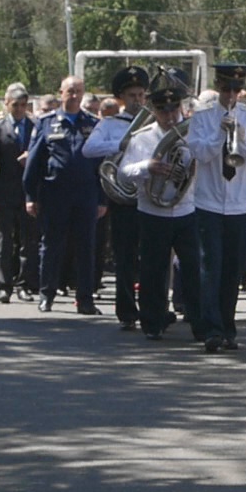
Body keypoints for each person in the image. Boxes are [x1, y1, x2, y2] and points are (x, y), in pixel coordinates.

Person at [186, 61, 246, 351]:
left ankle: (228, 328)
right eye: (227, 89)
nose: (231, 95)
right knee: (211, 265)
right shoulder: (203, 116)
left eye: (237, 89)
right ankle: (211, 329)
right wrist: (219, 135)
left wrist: (242, 135)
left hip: (239, 202)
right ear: (219, 88)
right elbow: (198, 151)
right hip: (208, 200)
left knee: (232, 268)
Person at [117, 69, 200, 339]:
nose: (169, 115)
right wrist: (147, 167)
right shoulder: (141, 138)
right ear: (153, 109)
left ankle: (200, 323)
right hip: (152, 212)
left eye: (174, 109)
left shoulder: (190, 134)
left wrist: (185, 169)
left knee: (193, 269)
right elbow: (121, 172)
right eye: (163, 110)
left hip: (186, 209)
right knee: (153, 271)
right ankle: (152, 323)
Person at [24, 75, 106, 313]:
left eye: (78, 91)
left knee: (86, 247)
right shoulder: (46, 123)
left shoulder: (92, 123)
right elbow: (34, 162)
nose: (74, 95)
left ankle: (85, 299)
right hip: (55, 193)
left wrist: (101, 198)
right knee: (51, 245)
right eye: (70, 91)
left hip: (85, 194)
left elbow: (101, 164)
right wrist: (31, 196)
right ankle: (46, 294)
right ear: (61, 92)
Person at [104, 67, 151, 326]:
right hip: (122, 198)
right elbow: (90, 149)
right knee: (125, 258)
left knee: (151, 258)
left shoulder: (153, 124)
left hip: (149, 197)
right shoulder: (111, 124)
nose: (137, 100)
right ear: (122, 96)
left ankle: (151, 309)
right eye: (132, 95)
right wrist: (120, 145)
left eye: (141, 94)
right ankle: (126, 311)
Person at [0, 85, 39, 304]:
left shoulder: (35, 126)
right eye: (14, 105)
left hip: (28, 193)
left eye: (23, 105)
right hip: (5, 193)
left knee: (28, 242)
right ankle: (4, 285)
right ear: (6, 105)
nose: (18, 109)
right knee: (4, 242)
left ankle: (24, 284)